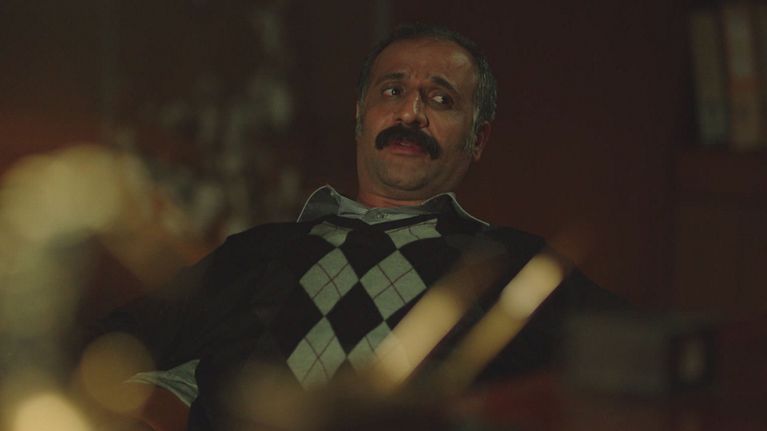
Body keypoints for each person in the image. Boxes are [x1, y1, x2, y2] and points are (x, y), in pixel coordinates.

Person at [86, 23, 626, 430]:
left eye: (441, 99)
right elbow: (103, 349)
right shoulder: (256, 253)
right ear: (360, 114)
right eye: (392, 91)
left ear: (477, 139)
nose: (411, 114)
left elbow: (643, 360)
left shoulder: (516, 264)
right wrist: (159, 400)